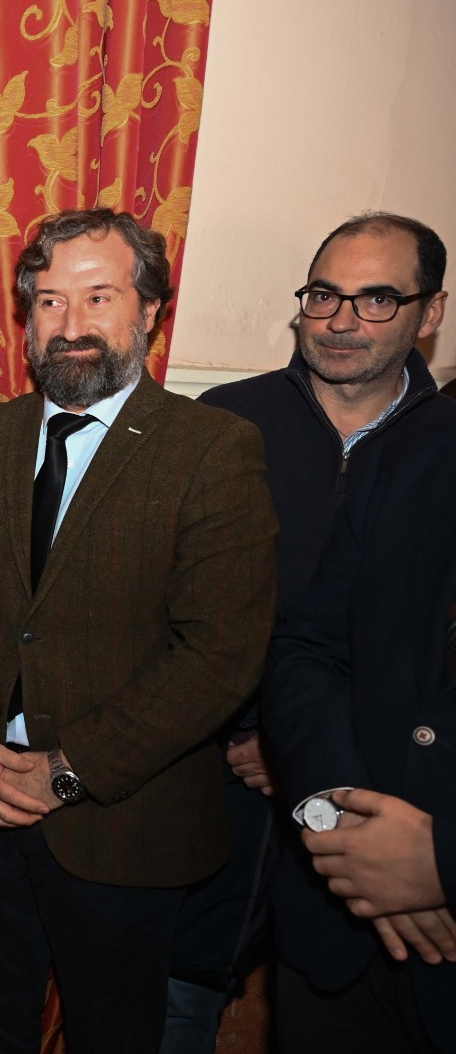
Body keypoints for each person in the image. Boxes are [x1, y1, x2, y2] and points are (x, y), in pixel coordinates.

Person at [0, 208, 279, 1053]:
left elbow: (220, 656)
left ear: (151, 311)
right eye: (49, 302)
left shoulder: (213, 450)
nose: (70, 325)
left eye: (98, 297)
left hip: (126, 825)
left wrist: (68, 773)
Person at [167, 212, 455, 1050]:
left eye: (376, 299)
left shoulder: (431, 447)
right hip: (216, 775)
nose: (340, 320)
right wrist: (253, 733)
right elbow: (166, 606)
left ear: (430, 313)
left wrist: (314, 768)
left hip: (381, 798)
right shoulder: (224, 421)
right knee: (185, 986)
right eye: (324, 295)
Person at [265, 415, 456, 1053]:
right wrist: (338, 815)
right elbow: (308, 650)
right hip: (335, 940)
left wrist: (441, 861)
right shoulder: (406, 452)